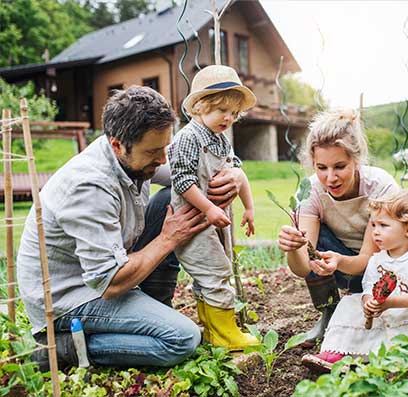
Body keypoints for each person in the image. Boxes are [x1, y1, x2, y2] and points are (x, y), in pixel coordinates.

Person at [16, 86, 243, 370]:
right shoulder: (89, 188)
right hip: (70, 297)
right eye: (154, 151)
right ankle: (63, 348)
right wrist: (168, 238)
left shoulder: (137, 157)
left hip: (105, 274)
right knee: (182, 338)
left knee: (171, 199)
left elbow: (186, 174)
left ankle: (156, 305)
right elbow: (110, 282)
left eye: (165, 148)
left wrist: (234, 172)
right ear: (117, 145)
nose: (163, 159)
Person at [277, 108, 408, 346]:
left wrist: (341, 262)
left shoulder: (379, 185)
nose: (331, 178)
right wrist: (292, 248)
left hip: (389, 255)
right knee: (314, 244)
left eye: (339, 166)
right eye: (321, 168)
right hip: (345, 259)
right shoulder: (310, 192)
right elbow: (303, 268)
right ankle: (330, 313)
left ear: (356, 160)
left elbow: (370, 258)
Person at [301, 190, 408, 372]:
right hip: (382, 315)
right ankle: (336, 352)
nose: (375, 232)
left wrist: (390, 303)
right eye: (373, 225)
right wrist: (369, 303)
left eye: (383, 225)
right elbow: (368, 289)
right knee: (349, 302)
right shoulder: (376, 259)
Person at [168, 65, 258, 350]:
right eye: (221, 110)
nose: (228, 118)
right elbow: (182, 180)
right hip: (194, 220)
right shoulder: (188, 138)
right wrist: (208, 208)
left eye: (233, 113)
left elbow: (237, 172)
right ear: (199, 106)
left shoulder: (220, 139)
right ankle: (226, 334)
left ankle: (213, 333)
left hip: (213, 220)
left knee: (212, 274)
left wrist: (249, 208)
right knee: (214, 271)